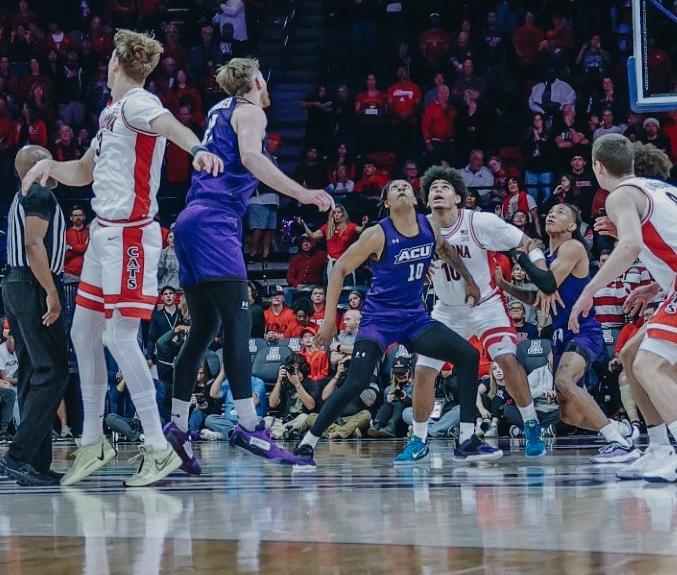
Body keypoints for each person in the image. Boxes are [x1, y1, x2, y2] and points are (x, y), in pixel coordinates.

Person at [19, 30, 222, 488]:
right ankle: (93, 442)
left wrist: (199, 148)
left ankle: (156, 445)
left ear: (115, 63)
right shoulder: (111, 114)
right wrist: (49, 166)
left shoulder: (137, 104)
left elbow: (170, 124)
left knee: (120, 337)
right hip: (101, 235)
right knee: (82, 330)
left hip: (131, 236)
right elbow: (85, 171)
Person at [163, 58, 329, 474]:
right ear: (256, 80)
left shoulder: (220, 110)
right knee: (238, 324)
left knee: (203, 328)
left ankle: (178, 428)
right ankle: (250, 425)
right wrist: (303, 193)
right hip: (216, 218)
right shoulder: (251, 109)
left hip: (188, 220)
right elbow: (253, 159)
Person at [568, 135, 677, 483]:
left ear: (598, 167)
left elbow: (633, 245)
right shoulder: (664, 190)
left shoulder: (619, 195)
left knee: (648, 364)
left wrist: (589, 290)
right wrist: (654, 286)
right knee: (639, 355)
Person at [305, 179, 501, 469]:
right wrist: (329, 320)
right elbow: (340, 269)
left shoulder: (429, 226)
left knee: (468, 355)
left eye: (405, 187)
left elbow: (445, 249)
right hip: (379, 320)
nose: (400, 189)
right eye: (393, 188)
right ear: (386, 203)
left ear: (414, 198)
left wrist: (469, 280)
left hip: (413, 318)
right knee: (356, 382)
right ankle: (306, 444)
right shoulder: (376, 234)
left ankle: (466, 440)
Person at [397, 167, 542, 463]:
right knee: (424, 370)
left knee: (506, 360)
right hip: (446, 310)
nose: (438, 190)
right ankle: (418, 439)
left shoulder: (481, 222)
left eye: (445, 187)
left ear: (459, 198)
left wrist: (544, 275)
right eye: (433, 187)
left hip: (485, 305)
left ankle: (531, 424)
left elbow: (526, 242)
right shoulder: (419, 228)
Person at [537, 202, 637, 461]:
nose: (552, 214)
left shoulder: (571, 247)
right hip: (561, 335)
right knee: (568, 415)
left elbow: (546, 282)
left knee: (563, 380)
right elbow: (537, 297)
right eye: (550, 212)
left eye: (560, 212)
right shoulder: (550, 259)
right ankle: (621, 430)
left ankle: (618, 444)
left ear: (572, 226)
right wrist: (504, 285)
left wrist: (523, 255)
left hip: (583, 330)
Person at [0, 145, 71, 486]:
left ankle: (36, 462)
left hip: (16, 283)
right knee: (53, 371)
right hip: (32, 283)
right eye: (48, 158)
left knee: (31, 373)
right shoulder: (39, 190)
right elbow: (33, 244)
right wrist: (52, 294)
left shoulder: (22, 193)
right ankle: (17, 456)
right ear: (39, 165)